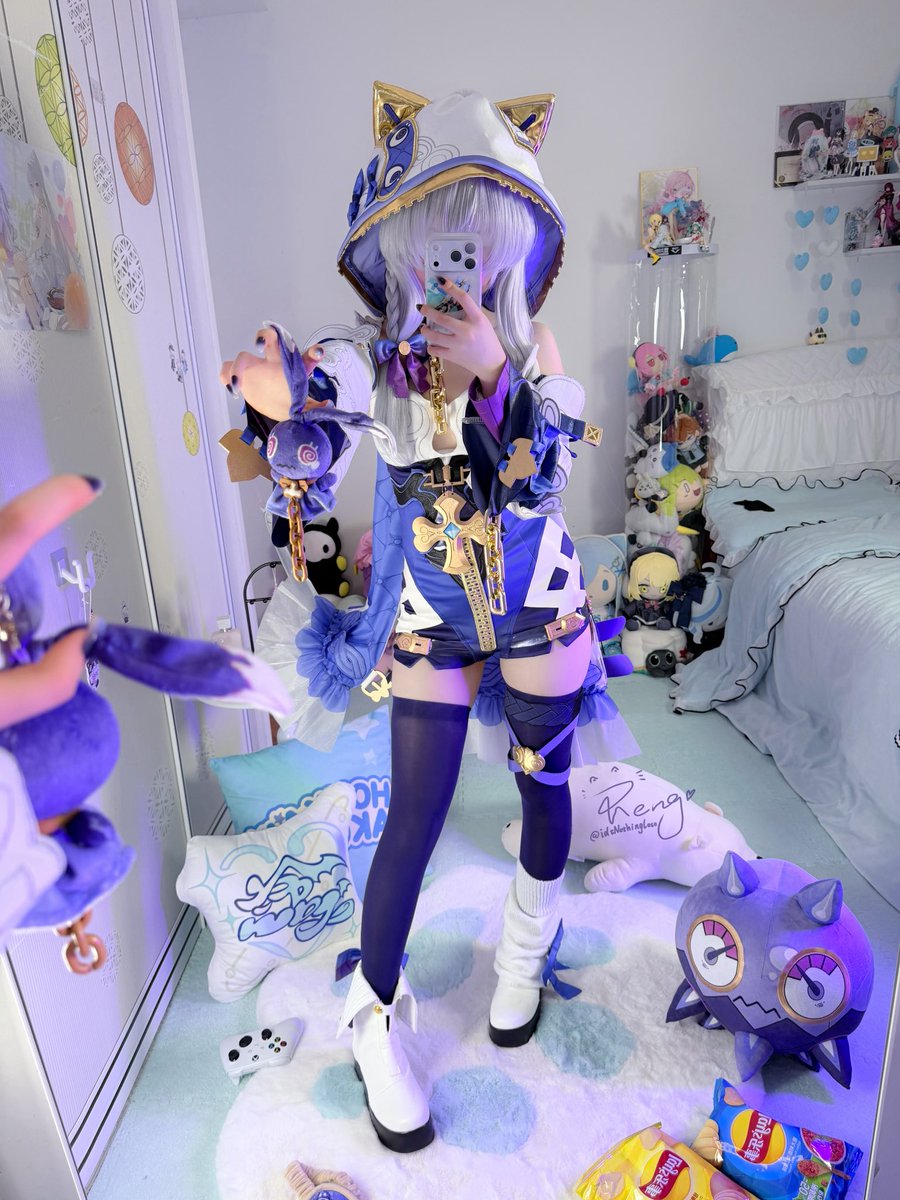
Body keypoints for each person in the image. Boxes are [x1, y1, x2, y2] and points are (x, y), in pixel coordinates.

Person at [220, 85, 637, 1154]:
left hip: (540, 608)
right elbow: (319, 387)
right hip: (434, 617)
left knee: (546, 787)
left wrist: (495, 367)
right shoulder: (380, 364)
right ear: (401, 252)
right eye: (438, 244)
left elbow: (544, 483)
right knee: (415, 810)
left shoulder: (538, 356)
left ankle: (524, 956)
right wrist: (278, 389)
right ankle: (371, 1023)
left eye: (477, 245)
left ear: (509, 253)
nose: (457, 266)